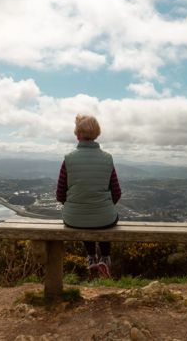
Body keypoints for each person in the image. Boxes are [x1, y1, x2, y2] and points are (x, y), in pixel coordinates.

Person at [56, 114, 122, 278]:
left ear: (77, 135)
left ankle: (91, 257)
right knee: (103, 217)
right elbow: (117, 192)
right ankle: (105, 258)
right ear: (97, 134)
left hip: (74, 218)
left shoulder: (68, 159)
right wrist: (104, 204)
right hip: (105, 218)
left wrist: (75, 203)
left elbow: (59, 194)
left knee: (84, 217)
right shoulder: (107, 158)